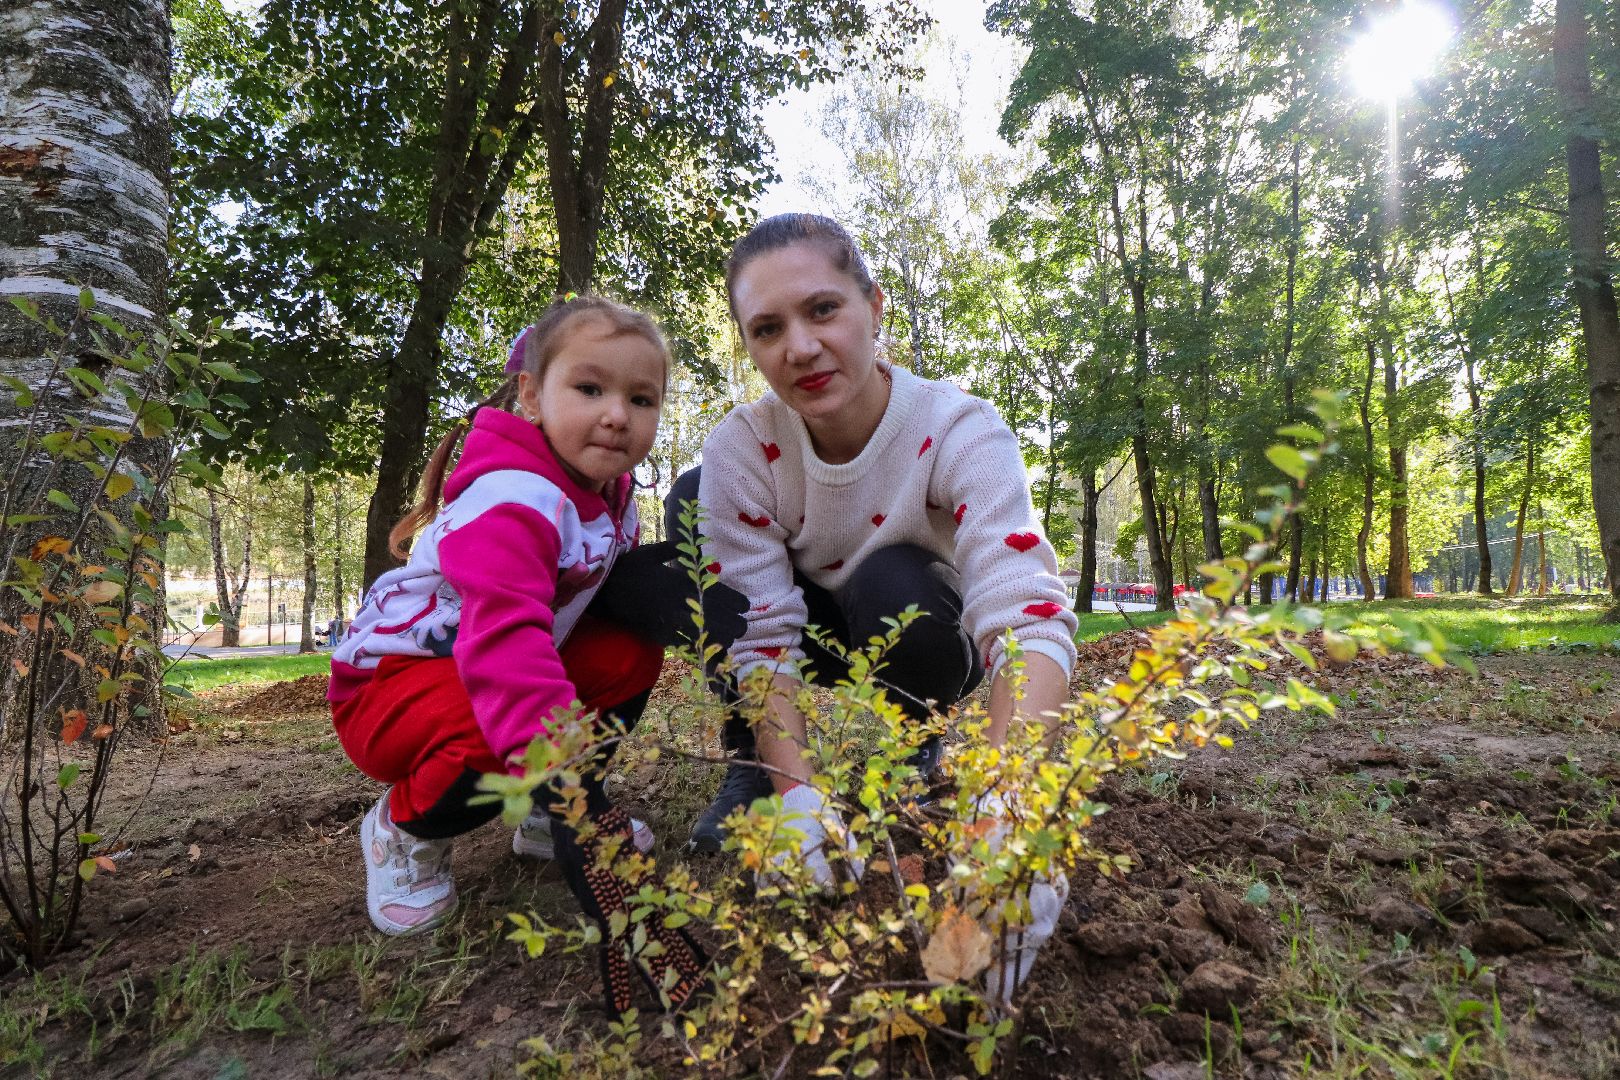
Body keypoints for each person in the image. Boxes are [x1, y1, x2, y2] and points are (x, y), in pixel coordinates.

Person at [677, 213, 1079, 1001]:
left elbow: (1024, 605)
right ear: (749, 346)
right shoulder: (742, 449)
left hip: (916, 626)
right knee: (689, 505)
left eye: (823, 309)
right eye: (767, 328)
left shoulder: (957, 427)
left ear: (874, 306)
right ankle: (753, 769)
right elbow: (760, 634)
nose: (799, 347)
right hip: (809, 627)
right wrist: (797, 794)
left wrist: (1009, 803)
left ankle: (917, 740)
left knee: (896, 580)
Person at [328, 294, 704, 1012]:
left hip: (473, 671)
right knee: (491, 718)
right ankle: (402, 829)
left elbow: (589, 601)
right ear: (532, 395)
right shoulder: (515, 497)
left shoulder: (606, 488)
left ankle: (532, 816)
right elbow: (504, 647)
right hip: (390, 690)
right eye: (589, 389)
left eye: (641, 397)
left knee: (629, 653)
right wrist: (574, 797)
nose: (617, 414)